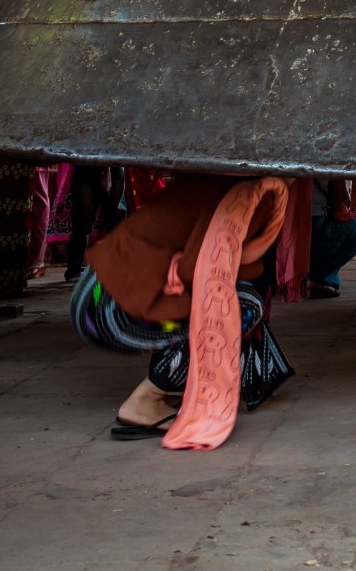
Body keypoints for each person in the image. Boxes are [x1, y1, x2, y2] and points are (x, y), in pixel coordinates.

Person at [71, 174, 292, 446]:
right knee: (242, 304)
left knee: (232, 294)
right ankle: (144, 400)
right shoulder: (252, 193)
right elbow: (196, 269)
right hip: (105, 311)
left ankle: (173, 385)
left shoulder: (222, 178)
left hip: (95, 294)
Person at [308, 178, 356, 296]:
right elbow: (340, 203)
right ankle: (317, 278)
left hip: (279, 229)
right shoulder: (328, 163)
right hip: (312, 224)